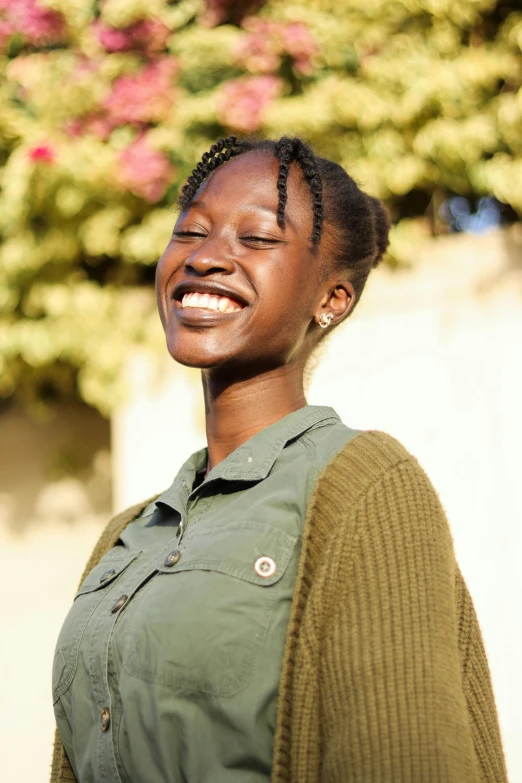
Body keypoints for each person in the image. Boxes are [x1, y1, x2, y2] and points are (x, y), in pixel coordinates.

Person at [50, 136, 508, 783]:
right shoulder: (123, 539)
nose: (207, 257)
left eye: (258, 239)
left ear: (332, 298)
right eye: (191, 232)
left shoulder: (362, 485)